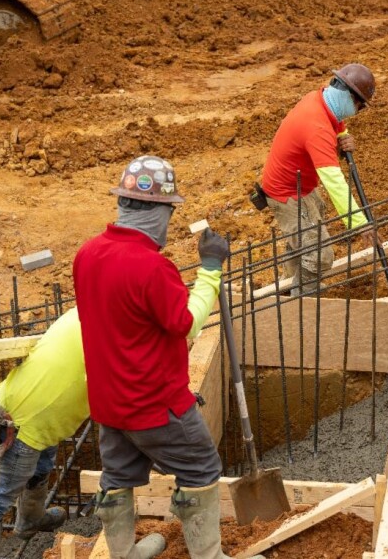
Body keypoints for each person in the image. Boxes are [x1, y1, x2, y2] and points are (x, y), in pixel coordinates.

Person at [73, 155, 264, 559]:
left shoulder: (86, 255)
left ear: (123, 204)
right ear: (159, 210)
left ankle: (123, 554)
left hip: (109, 404)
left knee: (118, 476)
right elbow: (187, 324)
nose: (168, 223)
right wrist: (211, 269)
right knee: (200, 469)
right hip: (155, 403)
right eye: (169, 212)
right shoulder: (151, 267)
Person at [0, 307, 90, 558]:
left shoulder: (84, 311)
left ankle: (31, 521)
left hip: (37, 419)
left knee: (42, 465)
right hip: (19, 429)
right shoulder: (113, 333)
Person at [259, 63, 376, 296]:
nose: (358, 111)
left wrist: (343, 139)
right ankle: (303, 300)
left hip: (301, 184)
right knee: (319, 255)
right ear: (348, 96)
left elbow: (338, 124)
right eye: (359, 106)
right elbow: (334, 183)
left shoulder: (323, 99)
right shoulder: (317, 126)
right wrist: (360, 224)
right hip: (287, 193)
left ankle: (289, 285)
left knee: (306, 236)